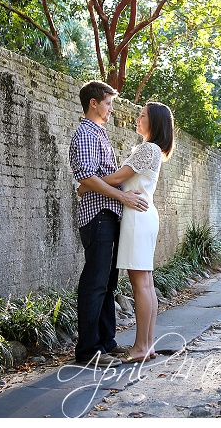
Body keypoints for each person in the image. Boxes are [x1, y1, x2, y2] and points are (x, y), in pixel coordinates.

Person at [77, 101, 174, 364]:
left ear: (154, 122)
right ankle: (147, 344)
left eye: (142, 115)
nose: (137, 118)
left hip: (136, 218)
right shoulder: (151, 149)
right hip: (141, 215)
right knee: (146, 284)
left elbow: (119, 178)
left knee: (141, 284)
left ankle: (142, 346)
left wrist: (87, 186)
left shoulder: (147, 148)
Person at [68, 80, 148, 368]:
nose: (112, 108)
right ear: (94, 103)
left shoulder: (98, 133)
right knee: (95, 283)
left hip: (109, 213)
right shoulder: (85, 134)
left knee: (107, 283)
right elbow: (87, 177)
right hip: (97, 215)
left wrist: (114, 194)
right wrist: (123, 197)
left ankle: (106, 343)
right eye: (109, 103)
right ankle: (88, 351)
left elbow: (94, 179)